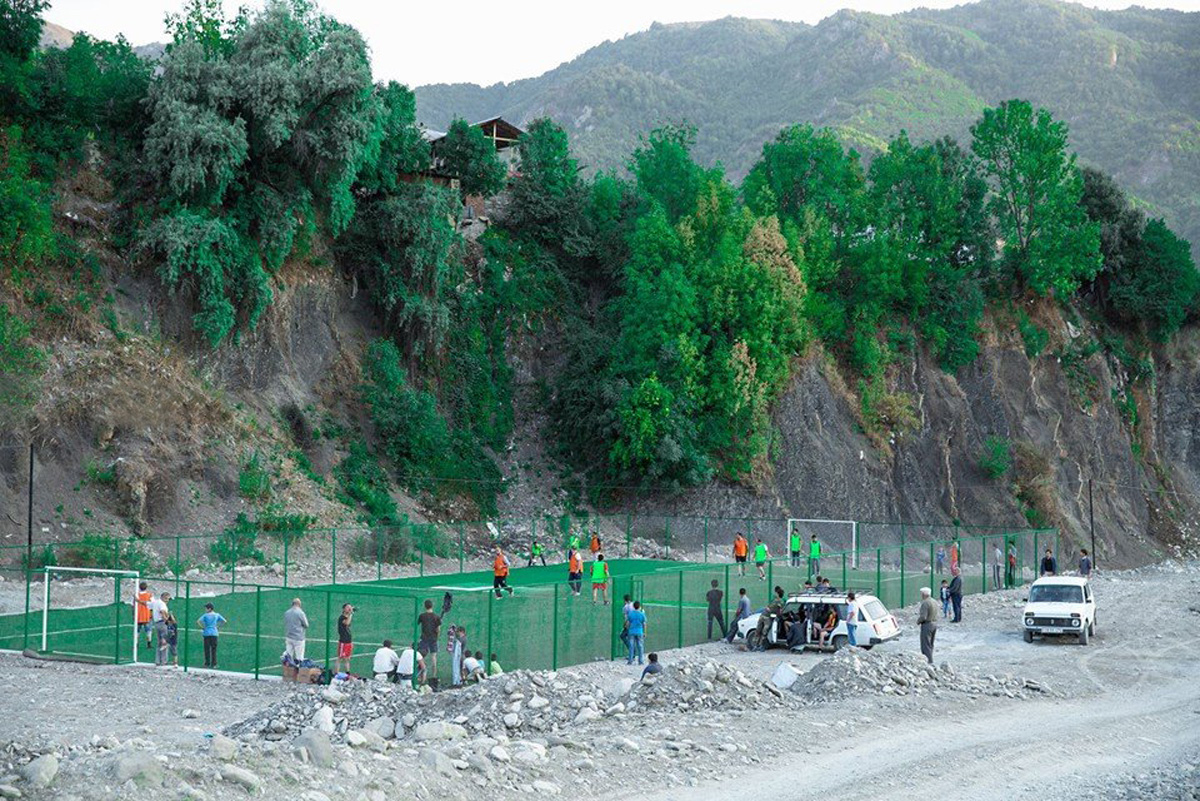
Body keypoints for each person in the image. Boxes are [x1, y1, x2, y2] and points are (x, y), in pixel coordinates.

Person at [417, 599, 441, 685]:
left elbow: (417, 624)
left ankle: (421, 676)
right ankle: (434, 676)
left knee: (420, 657)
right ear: (432, 606)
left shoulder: (422, 616)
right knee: (434, 658)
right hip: (433, 639)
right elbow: (438, 630)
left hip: (424, 639)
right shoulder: (436, 616)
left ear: (425, 606)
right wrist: (436, 638)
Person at [197, 602, 226, 669]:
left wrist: (203, 627)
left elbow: (198, 621)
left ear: (209, 609)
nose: (205, 609)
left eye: (206, 608)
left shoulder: (205, 615)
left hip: (207, 633)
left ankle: (207, 663)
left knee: (207, 649)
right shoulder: (216, 615)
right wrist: (218, 627)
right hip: (214, 633)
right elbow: (224, 621)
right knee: (214, 649)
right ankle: (214, 663)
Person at [150, 591, 172, 667]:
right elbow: (162, 612)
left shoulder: (156, 602)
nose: (167, 600)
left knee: (159, 642)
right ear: (162, 597)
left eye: (168, 599)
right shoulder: (162, 604)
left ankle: (157, 660)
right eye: (166, 598)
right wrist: (167, 621)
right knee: (165, 642)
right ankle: (164, 661)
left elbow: (147, 605)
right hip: (162, 623)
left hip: (157, 623)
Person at [917, 587, 938, 664]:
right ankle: (930, 659)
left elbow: (923, 617)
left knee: (925, 645)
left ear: (923, 594)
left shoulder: (925, 603)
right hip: (934, 623)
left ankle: (928, 662)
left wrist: (918, 621)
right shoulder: (934, 601)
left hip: (927, 625)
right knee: (931, 644)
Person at [284, 598, 308, 663]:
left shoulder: (287, 612)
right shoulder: (300, 613)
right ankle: (298, 671)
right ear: (299, 604)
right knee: (299, 657)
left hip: (289, 636)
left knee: (288, 656)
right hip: (298, 637)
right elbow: (306, 624)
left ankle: (288, 671)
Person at [625, 601, 647, 666]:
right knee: (640, 646)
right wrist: (645, 632)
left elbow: (627, 624)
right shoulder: (642, 614)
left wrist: (628, 628)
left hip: (631, 632)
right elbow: (644, 624)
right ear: (639, 606)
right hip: (639, 631)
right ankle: (640, 661)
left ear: (634, 606)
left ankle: (630, 661)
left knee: (631, 646)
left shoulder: (630, 614)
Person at [135, 581, 154, 649]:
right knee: (148, 630)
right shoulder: (149, 595)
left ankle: (136, 644)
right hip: (147, 615)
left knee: (137, 631)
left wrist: (134, 615)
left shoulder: (136, 595)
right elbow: (152, 605)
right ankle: (149, 643)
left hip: (138, 616)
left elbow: (133, 605)